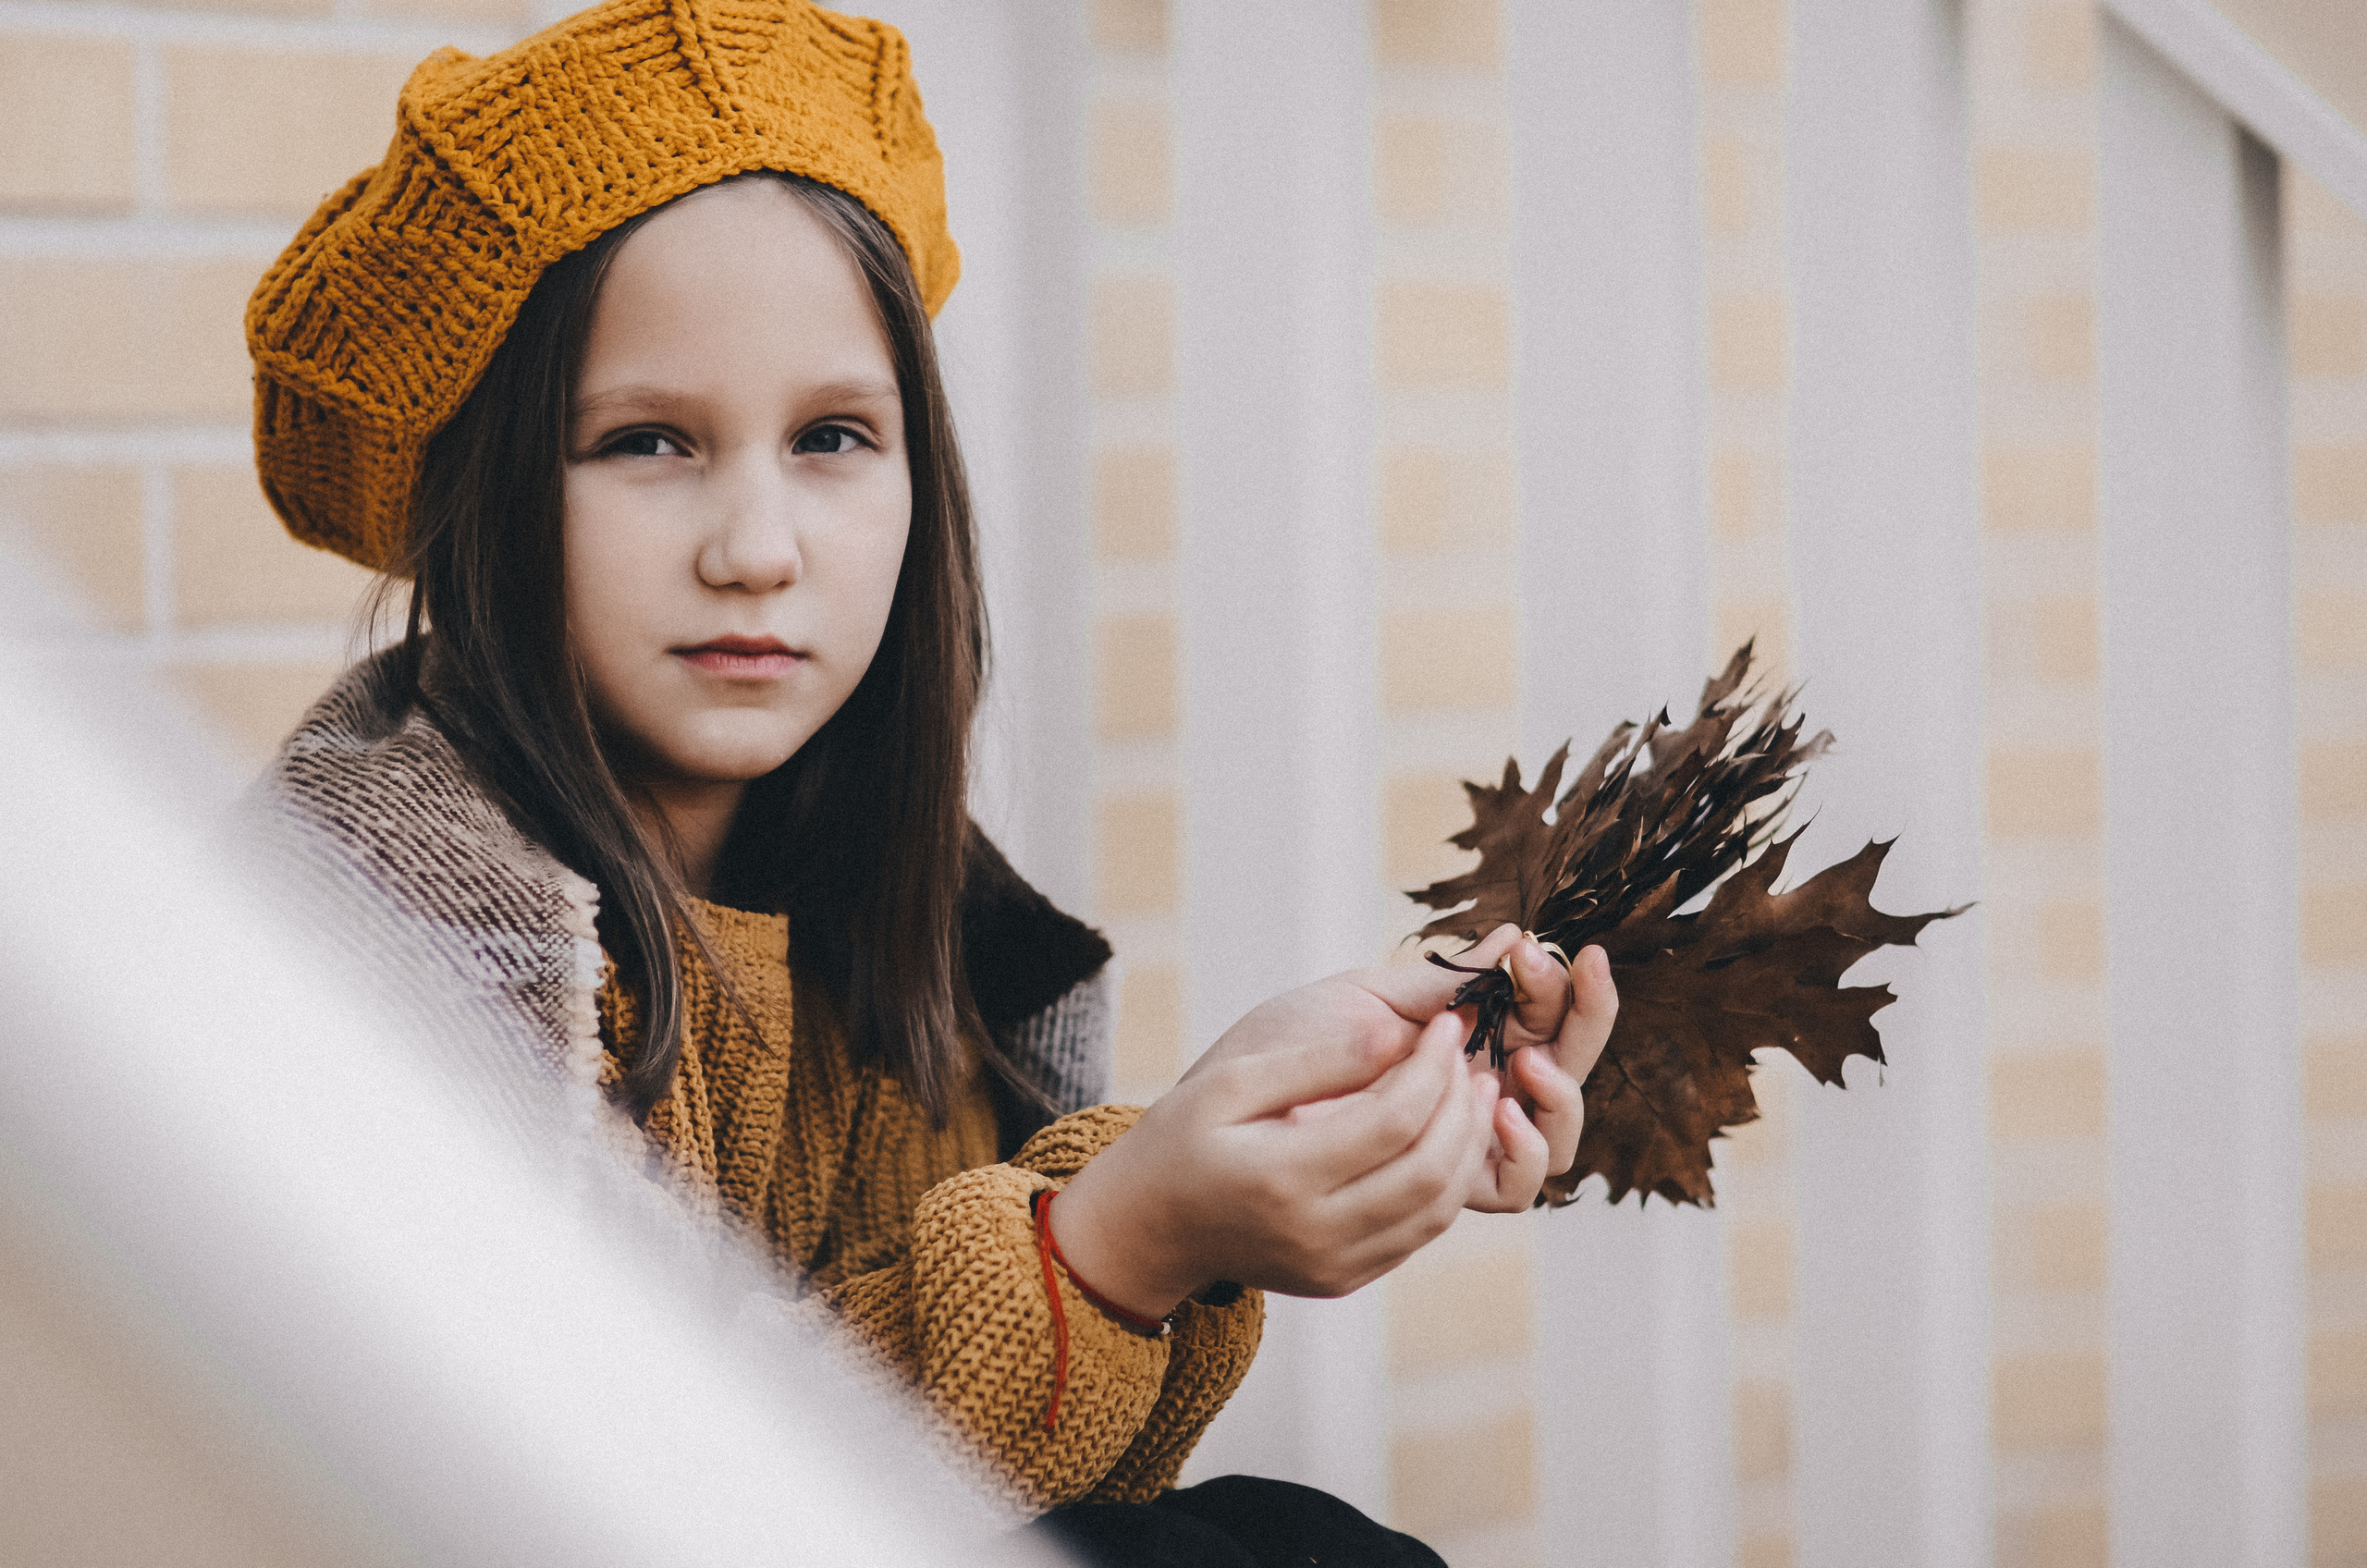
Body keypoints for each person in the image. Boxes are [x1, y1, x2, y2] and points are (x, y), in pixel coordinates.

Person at [240, 1, 1617, 1559]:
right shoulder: (384, 930)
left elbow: (1015, 1490)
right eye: (642, 444)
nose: (757, 549)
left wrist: (1241, 1156)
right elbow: (608, 1497)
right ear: (482, 500)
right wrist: (1114, 1240)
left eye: (831, 435)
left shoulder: (913, 925)